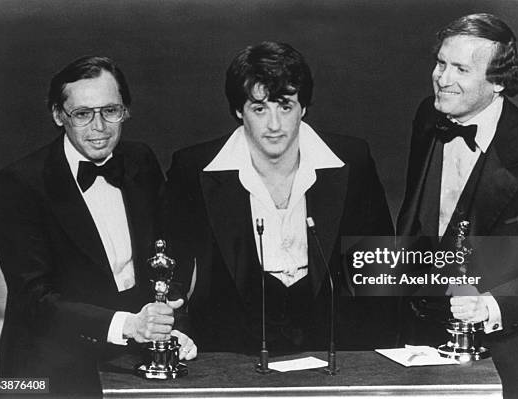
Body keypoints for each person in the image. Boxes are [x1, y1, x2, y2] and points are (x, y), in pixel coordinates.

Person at [397, 13, 518, 399]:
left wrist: (490, 306)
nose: (443, 78)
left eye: (461, 69)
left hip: (517, 353)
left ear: (498, 81)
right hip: (426, 345)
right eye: (441, 63)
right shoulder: (428, 116)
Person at [163, 41, 395, 354]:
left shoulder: (353, 160)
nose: (274, 125)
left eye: (285, 106)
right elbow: (172, 273)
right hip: (230, 349)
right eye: (259, 108)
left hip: (334, 347)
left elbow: (379, 270)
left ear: (303, 108)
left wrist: (378, 359)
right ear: (238, 110)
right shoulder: (193, 168)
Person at [0, 56, 197, 397]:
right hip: (45, 371)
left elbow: (168, 254)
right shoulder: (17, 184)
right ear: (59, 116)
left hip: (131, 359)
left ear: (125, 110)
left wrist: (169, 324)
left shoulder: (140, 160)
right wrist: (129, 325)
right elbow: (33, 298)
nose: (99, 127)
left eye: (110, 111)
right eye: (83, 114)